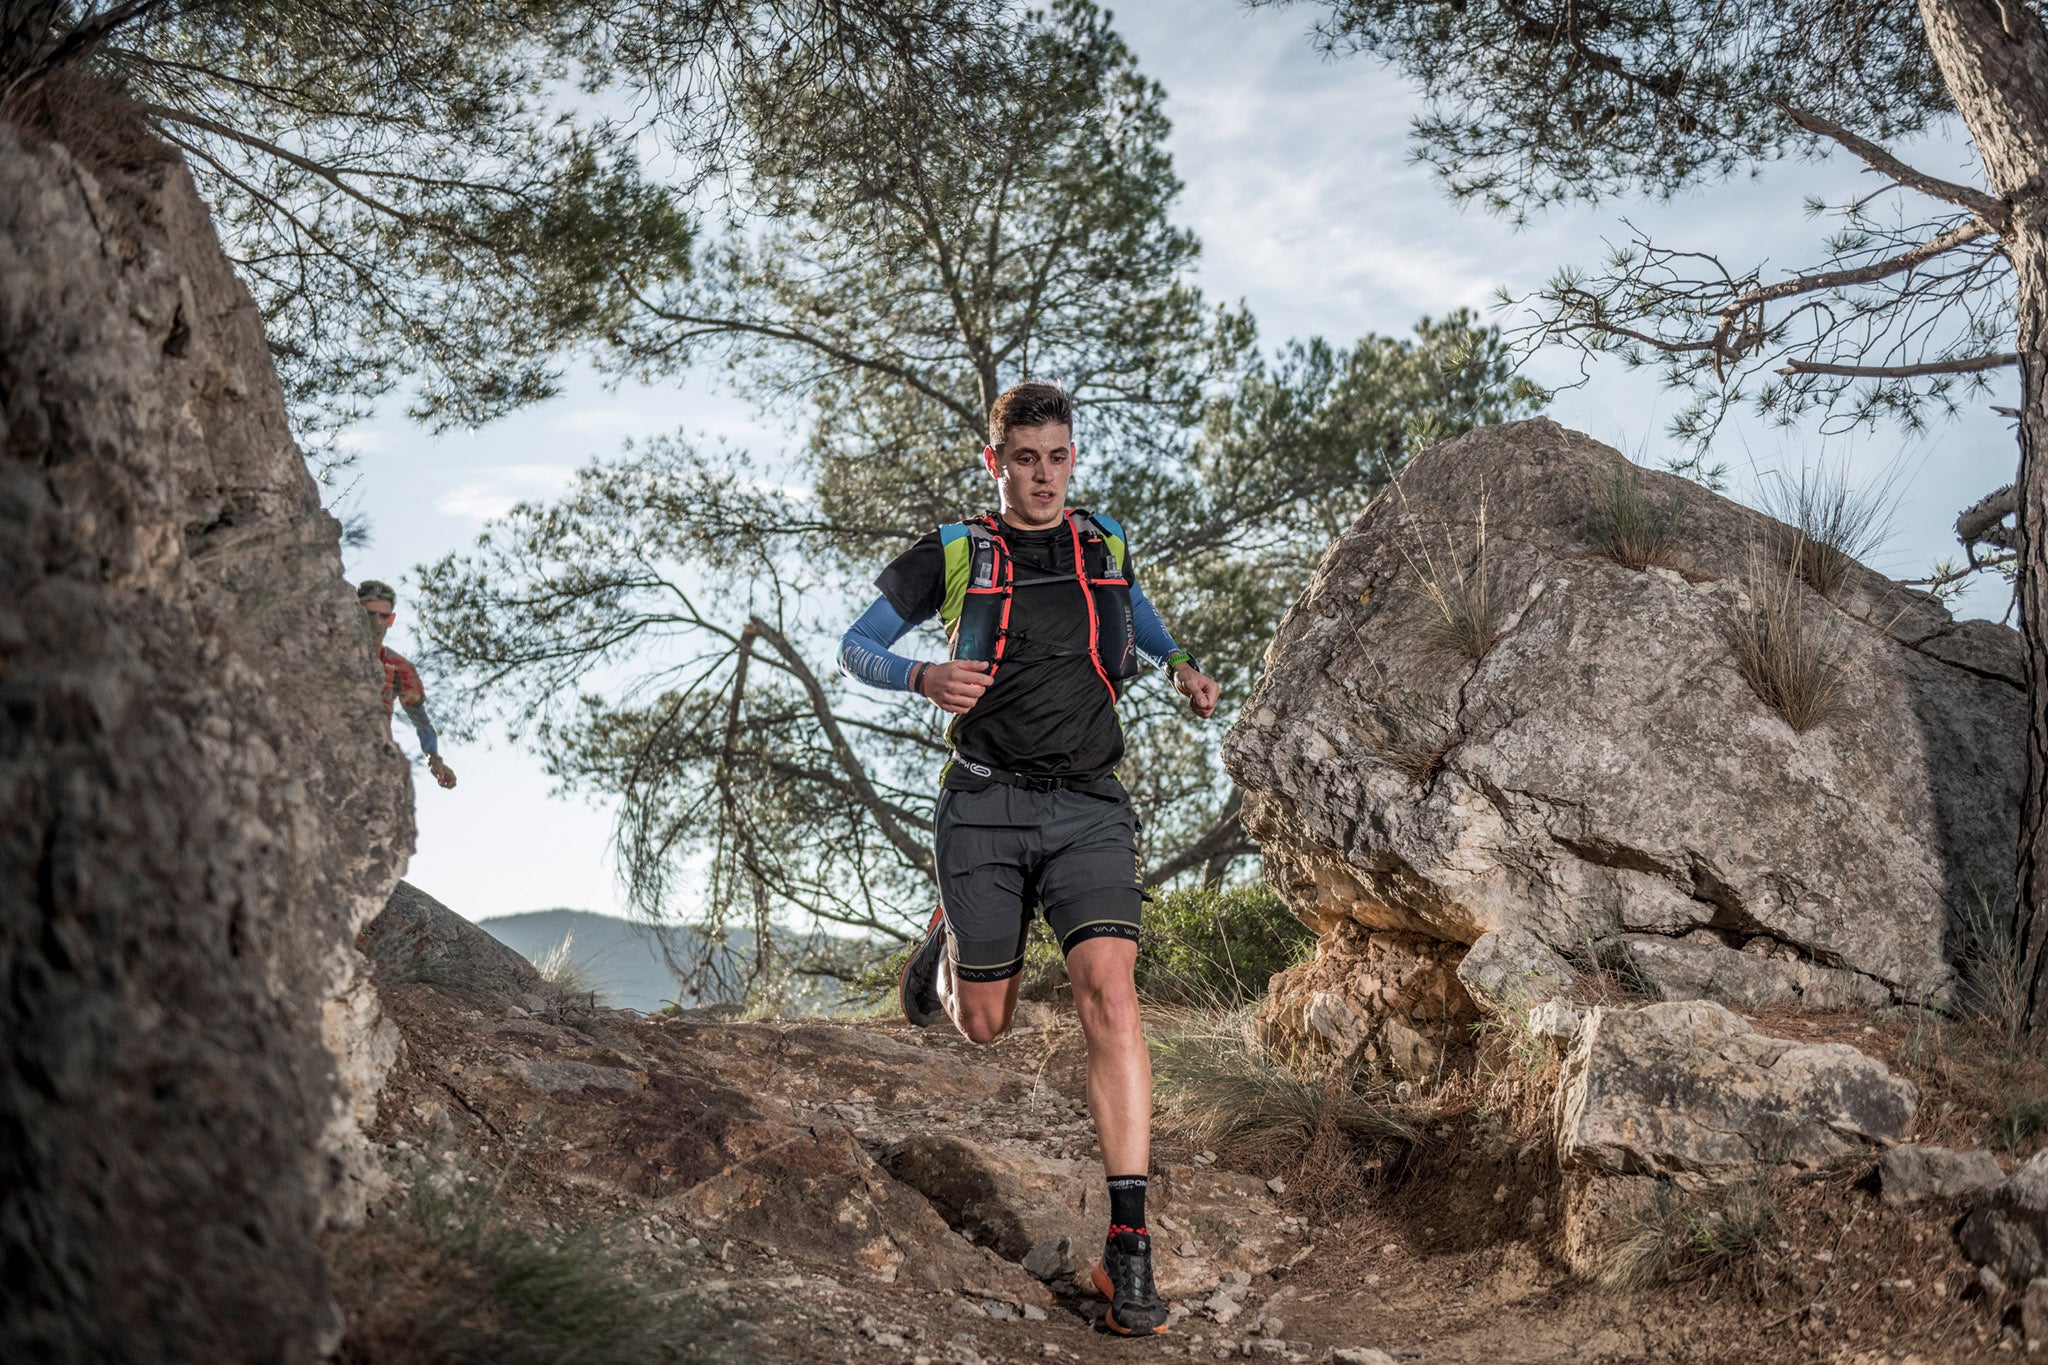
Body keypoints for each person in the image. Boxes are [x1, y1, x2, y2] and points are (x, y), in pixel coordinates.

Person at [838, 381, 1220, 1337]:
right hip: (984, 802)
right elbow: (856, 644)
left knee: (1111, 995)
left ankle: (1127, 1250)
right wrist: (919, 672)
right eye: (1025, 458)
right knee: (984, 1022)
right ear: (995, 461)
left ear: (1072, 458)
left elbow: (1138, 617)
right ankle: (955, 931)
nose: (1044, 476)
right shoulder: (955, 551)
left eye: (1057, 456)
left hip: (1091, 802)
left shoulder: (1106, 541)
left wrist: (1177, 665)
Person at [356, 579, 457, 789]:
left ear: (391, 620)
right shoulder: (332, 648)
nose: (376, 623)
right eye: (369, 614)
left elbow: (420, 719)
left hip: (373, 753)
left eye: (383, 616)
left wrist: (434, 760)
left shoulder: (398, 667)